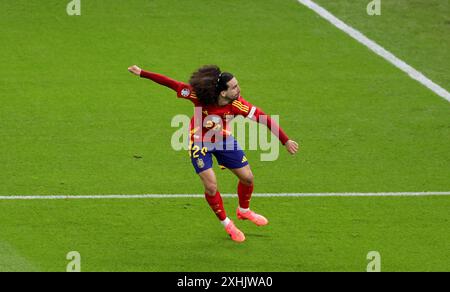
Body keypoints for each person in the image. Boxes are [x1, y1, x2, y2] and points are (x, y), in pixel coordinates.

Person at [128, 64, 299, 242]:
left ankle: (244, 211)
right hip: (199, 143)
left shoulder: (238, 104)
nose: (239, 89)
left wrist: (285, 140)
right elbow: (171, 84)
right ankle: (228, 224)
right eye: (234, 87)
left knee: (248, 178)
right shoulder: (199, 96)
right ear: (223, 93)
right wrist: (142, 73)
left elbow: (264, 118)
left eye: (237, 84)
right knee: (211, 186)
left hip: (223, 140)